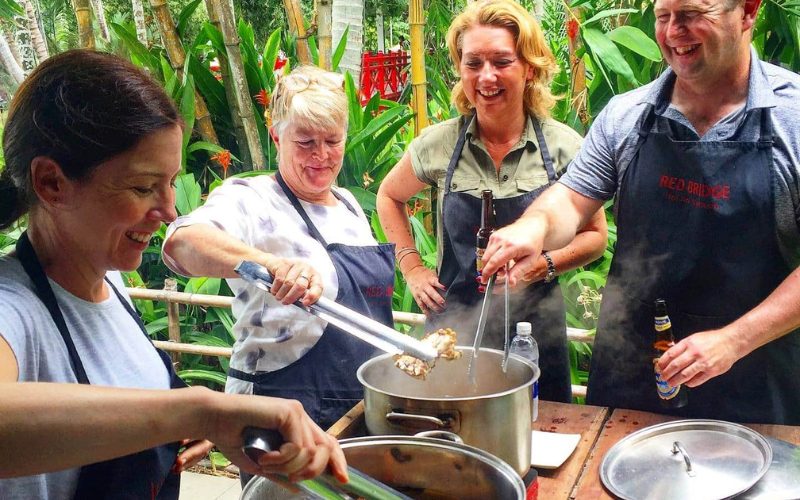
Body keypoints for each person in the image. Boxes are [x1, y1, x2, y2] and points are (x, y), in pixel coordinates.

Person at [0, 50, 347, 499]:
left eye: (170, 183)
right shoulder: (14, 305)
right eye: (143, 187)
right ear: (51, 183)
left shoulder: (110, 284)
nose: (168, 211)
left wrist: (171, 432)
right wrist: (200, 411)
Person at [480, 0, 800, 425]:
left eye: (690, 15)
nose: (671, 32)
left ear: (747, 11)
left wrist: (735, 340)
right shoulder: (627, 115)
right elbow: (573, 200)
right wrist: (532, 227)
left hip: (755, 380)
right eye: (663, 17)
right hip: (632, 374)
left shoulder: (791, 120)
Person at [376, 0, 607, 403]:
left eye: (501, 61)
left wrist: (544, 264)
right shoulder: (439, 145)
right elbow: (388, 196)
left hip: (535, 331)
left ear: (529, 68)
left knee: (540, 435)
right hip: (454, 329)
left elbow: (595, 237)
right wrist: (411, 267)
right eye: (473, 63)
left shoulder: (565, 147)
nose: (486, 76)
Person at [162, 66, 394, 434]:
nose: (321, 155)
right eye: (305, 142)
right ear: (276, 137)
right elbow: (182, 242)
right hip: (279, 400)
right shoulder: (251, 199)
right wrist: (270, 264)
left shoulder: (349, 204)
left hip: (358, 402)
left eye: (332, 141)